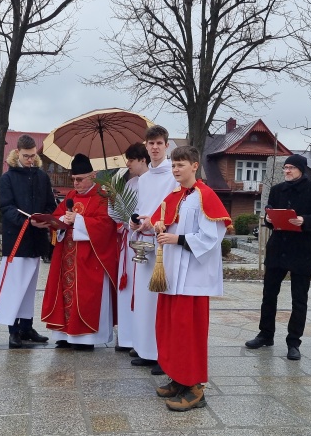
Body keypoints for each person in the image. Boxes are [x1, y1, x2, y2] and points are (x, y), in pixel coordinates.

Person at [149, 145, 232, 412]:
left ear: (194, 166)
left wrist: (177, 239)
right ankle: (179, 379)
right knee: (172, 330)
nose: (175, 169)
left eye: (180, 165)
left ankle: (195, 389)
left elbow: (211, 237)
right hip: (172, 276)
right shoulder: (178, 196)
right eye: (173, 165)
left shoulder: (204, 195)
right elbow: (162, 219)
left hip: (192, 279)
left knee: (189, 333)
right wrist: (160, 225)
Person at [245, 154, 311, 361]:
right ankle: (265, 335)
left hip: (303, 250)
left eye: (291, 167)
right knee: (269, 295)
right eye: (285, 168)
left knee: (299, 300)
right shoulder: (277, 190)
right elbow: (271, 217)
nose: (287, 171)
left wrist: (304, 220)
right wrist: (269, 218)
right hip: (278, 249)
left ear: (301, 169)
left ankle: (294, 342)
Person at [40, 153, 119, 350]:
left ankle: (86, 339)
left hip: (91, 258)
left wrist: (79, 220)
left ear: (92, 175)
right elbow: (58, 216)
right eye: (73, 179)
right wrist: (58, 222)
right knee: (65, 295)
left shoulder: (103, 197)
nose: (75, 183)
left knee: (87, 297)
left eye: (80, 179)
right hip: (67, 256)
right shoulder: (70, 196)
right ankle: (65, 335)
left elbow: (106, 226)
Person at [0, 135, 57, 348]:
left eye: (33, 156)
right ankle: (13, 330)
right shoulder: (7, 178)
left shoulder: (42, 176)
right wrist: (28, 222)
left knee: (29, 288)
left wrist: (46, 219)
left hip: (36, 240)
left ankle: (27, 327)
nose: (30, 160)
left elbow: (50, 203)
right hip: (17, 241)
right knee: (14, 287)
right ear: (17, 152)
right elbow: (7, 208)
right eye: (27, 156)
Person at [128, 125, 178, 375]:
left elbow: (175, 207)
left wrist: (155, 220)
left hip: (163, 243)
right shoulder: (144, 179)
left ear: (166, 146)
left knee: (160, 300)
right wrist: (134, 222)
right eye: (151, 143)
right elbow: (140, 208)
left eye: (159, 143)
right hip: (144, 244)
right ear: (146, 147)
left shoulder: (174, 176)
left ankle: (162, 354)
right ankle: (146, 350)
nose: (155, 147)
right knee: (144, 300)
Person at [114, 142, 150, 352]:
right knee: (126, 288)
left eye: (131, 159)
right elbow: (118, 213)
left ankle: (140, 340)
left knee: (141, 290)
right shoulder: (130, 183)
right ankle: (126, 336)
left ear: (142, 160)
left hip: (145, 242)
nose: (127, 164)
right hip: (128, 241)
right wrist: (113, 198)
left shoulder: (154, 181)